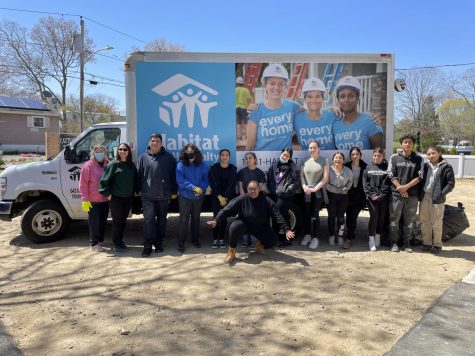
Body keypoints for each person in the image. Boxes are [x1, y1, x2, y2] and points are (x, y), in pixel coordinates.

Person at [207, 180, 295, 264]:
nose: (252, 191)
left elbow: (277, 214)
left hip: (260, 227)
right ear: (247, 190)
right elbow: (227, 210)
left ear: (259, 189)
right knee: (234, 226)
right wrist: (216, 220)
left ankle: (259, 245)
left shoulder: (266, 200)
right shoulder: (242, 199)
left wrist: (286, 229)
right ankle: (232, 252)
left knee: (273, 240)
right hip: (245, 224)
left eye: (254, 189)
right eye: (250, 189)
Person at [137, 133, 177, 257]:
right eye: (153, 141)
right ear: (149, 143)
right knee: (148, 220)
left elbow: (173, 176)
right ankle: (148, 245)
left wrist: (174, 192)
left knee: (162, 220)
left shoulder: (169, 158)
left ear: (161, 143)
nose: (155, 143)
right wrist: (138, 190)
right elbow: (138, 175)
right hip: (147, 196)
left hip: (164, 195)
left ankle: (159, 243)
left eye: (157, 141)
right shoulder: (142, 157)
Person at [246, 63, 300, 151]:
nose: (276, 87)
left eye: (281, 84)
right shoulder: (256, 111)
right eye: (272, 83)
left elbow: (312, 112)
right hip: (262, 162)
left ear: (285, 87)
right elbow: (249, 147)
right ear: (265, 86)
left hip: (285, 162)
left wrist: (330, 110)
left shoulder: (292, 107)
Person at [99, 143, 138, 254]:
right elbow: (103, 182)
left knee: (123, 221)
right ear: (118, 151)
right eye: (120, 149)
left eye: (125, 149)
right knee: (117, 222)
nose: (122, 151)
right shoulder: (113, 165)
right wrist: (108, 195)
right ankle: (116, 243)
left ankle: (120, 241)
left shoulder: (131, 165)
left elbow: (135, 180)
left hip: (128, 199)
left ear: (128, 152)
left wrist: (136, 191)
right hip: (116, 199)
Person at [387, 134, 423, 253]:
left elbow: (420, 176)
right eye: (405, 142)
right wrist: (400, 188)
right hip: (396, 195)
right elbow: (390, 174)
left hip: (412, 195)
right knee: (394, 219)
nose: (407, 144)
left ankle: (407, 243)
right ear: (401, 144)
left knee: (409, 220)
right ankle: (394, 243)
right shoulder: (394, 157)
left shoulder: (419, 159)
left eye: (410, 142)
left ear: (413, 144)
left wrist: (406, 187)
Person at [419, 146, 455, 255]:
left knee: (437, 222)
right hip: (425, 196)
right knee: (424, 220)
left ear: (439, 153)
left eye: (433, 153)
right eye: (428, 154)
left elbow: (450, 183)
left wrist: (441, 194)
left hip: (437, 198)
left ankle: (437, 244)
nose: (431, 156)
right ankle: (427, 243)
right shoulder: (425, 166)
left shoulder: (446, 166)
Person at [332, 76, 384, 150]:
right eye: (342, 96)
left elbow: (380, 156)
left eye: (351, 96)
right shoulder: (335, 125)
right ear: (338, 100)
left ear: (357, 98)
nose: (346, 100)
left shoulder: (370, 121)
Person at [176, 144, 209, 253]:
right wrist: (194, 188)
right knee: (183, 219)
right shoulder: (180, 165)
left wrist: (201, 188)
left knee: (196, 219)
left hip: (198, 197)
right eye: (188, 155)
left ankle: (195, 240)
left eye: (192, 155)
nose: (190, 158)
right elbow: (180, 181)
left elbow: (205, 179)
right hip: (185, 197)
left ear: (196, 154)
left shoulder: (203, 165)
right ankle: (181, 243)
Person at [79, 145, 109, 252]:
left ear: (105, 152)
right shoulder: (88, 166)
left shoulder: (107, 164)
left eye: (102, 151)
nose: (99, 154)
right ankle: (94, 243)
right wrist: (85, 200)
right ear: (93, 153)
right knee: (94, 223)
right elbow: (83, 185)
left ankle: (99, 242)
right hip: (93, 201)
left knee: (102, 222)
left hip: (105, 200)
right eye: (97, 152)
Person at [266, 147, 299, 247]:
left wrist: (288, 190)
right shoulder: (275, 165)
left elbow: (296, 181)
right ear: (280, 154)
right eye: (283, 154)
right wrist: (271, 190)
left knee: (281, 214)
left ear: (290, 157)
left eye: (287, 156)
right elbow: (269, 178)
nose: (284, 156)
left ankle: (285, 239)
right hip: (275, 195)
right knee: (278, 215)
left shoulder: (292, 166)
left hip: (286, 196)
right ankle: (278, 238)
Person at [300, 140, 329, 249]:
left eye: (314, 147)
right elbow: (302, 176)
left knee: (315, 215)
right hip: (307, 192)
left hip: (318, 192)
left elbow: (325, 178)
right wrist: (304, 187)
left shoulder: (324, 160)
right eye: (310, 148)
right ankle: (307, 235)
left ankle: (315, 238)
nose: (312, 149)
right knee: (307, 214)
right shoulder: (304, 160)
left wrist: (315, 188)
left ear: (318, 149)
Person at [293, 77, 335, 150]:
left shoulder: (333, 115)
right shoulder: (297, 119)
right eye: (310, 97)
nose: (313, 100)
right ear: (305, 99)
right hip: (306, 161)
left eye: (317, 96)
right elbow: (283, 138)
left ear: (323, 98)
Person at [208, 148, 237, 249]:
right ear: (220, 156)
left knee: (224, 218)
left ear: (229, 157)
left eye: (227, 155)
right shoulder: (214, 168)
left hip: (227, 198)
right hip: (216, 197)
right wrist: (219, 197)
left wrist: (225, 198)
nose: (224, 157)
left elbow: (232, 185)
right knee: (216, 217)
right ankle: (215, 239)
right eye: (223, 155)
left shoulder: (233, 169)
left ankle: (221, 239)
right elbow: (213, 183)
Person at [363, 147, 391, 251]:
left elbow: (388, 183)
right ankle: (371, 240)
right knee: (374, 217)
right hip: (372, 198)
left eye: (379, 156)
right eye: (375, 155)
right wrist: (372, 195)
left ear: (383, 157)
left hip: (383, 198)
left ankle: (378, 236)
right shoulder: (368, 167)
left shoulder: (387, 167)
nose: (376, 157)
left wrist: (381, 195)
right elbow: (365, 183)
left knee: (382, 218)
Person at [237, 151, 266, 247]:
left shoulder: (260, 173)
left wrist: (253, 198)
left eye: (250, 158)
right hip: (244, 200)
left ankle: (255, 241)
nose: (248, 160)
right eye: (247, 158)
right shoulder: (241, 172)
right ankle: (246, 241)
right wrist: (243, 199)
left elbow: (260, 188)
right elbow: (240, 186)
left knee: (255, 220)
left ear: (255, 160)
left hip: (256, 200)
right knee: (244, 219)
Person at [326, 151, 353, 248]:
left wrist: (345, 188)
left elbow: (350, 182)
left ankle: (340, 235)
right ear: (333, 160)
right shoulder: (328, 170)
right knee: (331, 216)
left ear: (343, 160)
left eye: (340, 158)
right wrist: (336, 189)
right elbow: (326, 183)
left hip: (343, 196)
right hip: (331, 196)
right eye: (336, 158)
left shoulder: (348, 171)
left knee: (341, 217)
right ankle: (331, 236)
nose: (338, 160)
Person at [343, 147, 368, 248]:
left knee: (353, 216)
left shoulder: (365, 167)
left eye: (357, 154)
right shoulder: (346, 166)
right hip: (348, 196)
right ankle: (351, 233)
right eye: (353, 154)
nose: (355, 156)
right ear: (350, 156)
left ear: (360, 155)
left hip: (360, 197)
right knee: (349, 217)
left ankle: (348, 239)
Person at [236, 76, 253, 141]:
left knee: (238, 123)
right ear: (243, 83)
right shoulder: (245, 90)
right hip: (243, 108)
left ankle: (239, 136)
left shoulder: (234, 90)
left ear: (237, 83)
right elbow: (249, 99)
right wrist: (251, 106)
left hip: (236, 108)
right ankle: (246, 136)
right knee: (246, 122)